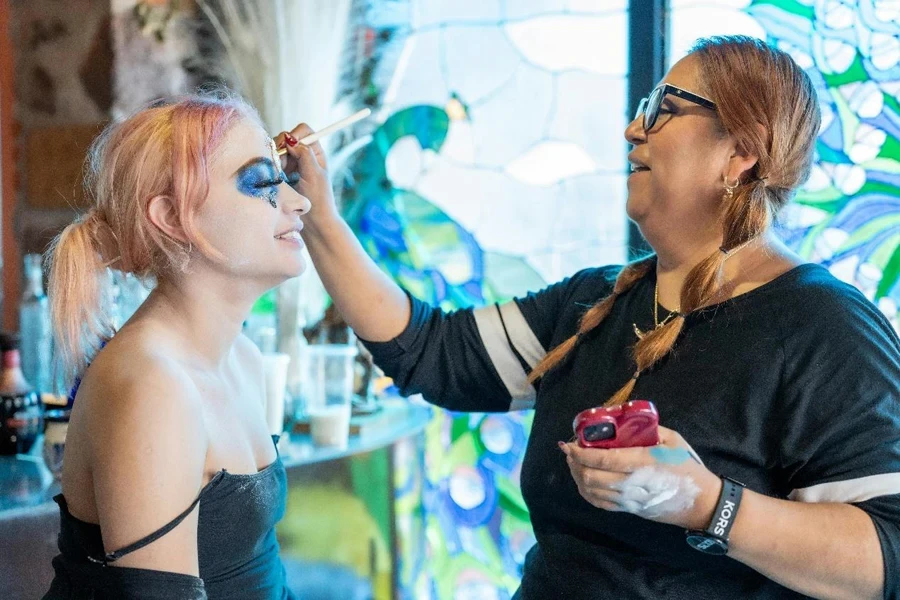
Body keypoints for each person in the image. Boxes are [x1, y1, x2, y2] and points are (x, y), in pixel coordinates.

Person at [277, 35, 899, 599]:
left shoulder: (823, 326)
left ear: (741, 150)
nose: (633, 128)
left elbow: (887, 556)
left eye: (663, 108)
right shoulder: (595, 302)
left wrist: (707, 503)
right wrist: (319, 215)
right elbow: (431, 351)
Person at [43, 93, 310, 599]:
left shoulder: (243, 360)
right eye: (261, 183)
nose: (299, 202)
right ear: (170, 216)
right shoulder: (152, 388)